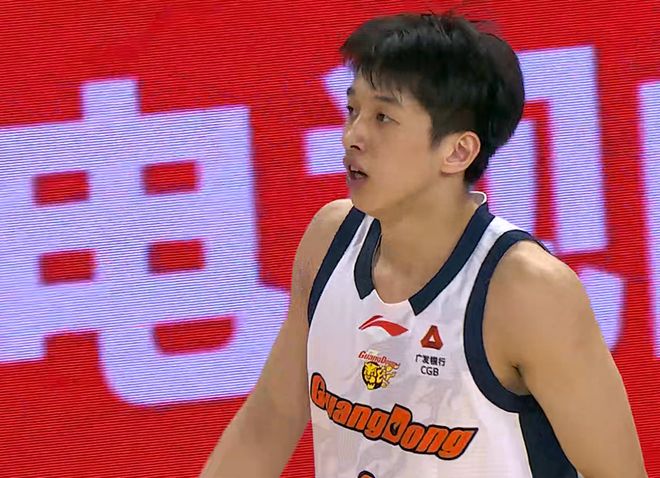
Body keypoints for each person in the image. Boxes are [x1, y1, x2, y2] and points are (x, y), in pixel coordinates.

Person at [200, 11, 647, 478]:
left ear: (457, 151)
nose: (352, 136)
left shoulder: (527, 291)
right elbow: (269, 421)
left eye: (383, 117)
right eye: (352, 110)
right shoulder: (330, 239)